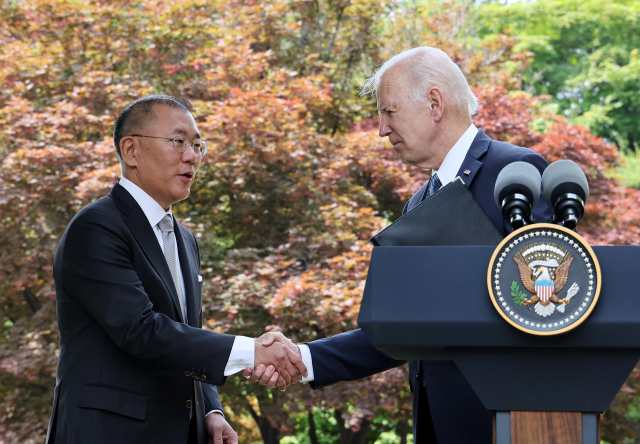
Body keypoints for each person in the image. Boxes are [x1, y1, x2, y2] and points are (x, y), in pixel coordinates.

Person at [244, 47, 554, 443]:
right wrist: (303, 358)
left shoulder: (515, 173)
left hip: (509, 421)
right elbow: (406, 328)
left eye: (389, 112)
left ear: (435, 103)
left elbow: (547, 302)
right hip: (436, 423)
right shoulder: (418, 202)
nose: (381, 129)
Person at [46, 95, 307, 444]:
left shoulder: (184, 239)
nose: (192, 156)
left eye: (198, 145)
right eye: (179, 142)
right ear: (131, 150)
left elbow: (184, 335)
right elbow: (140, 330)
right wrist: (253, 351)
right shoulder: (96, 227)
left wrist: (211, 412)